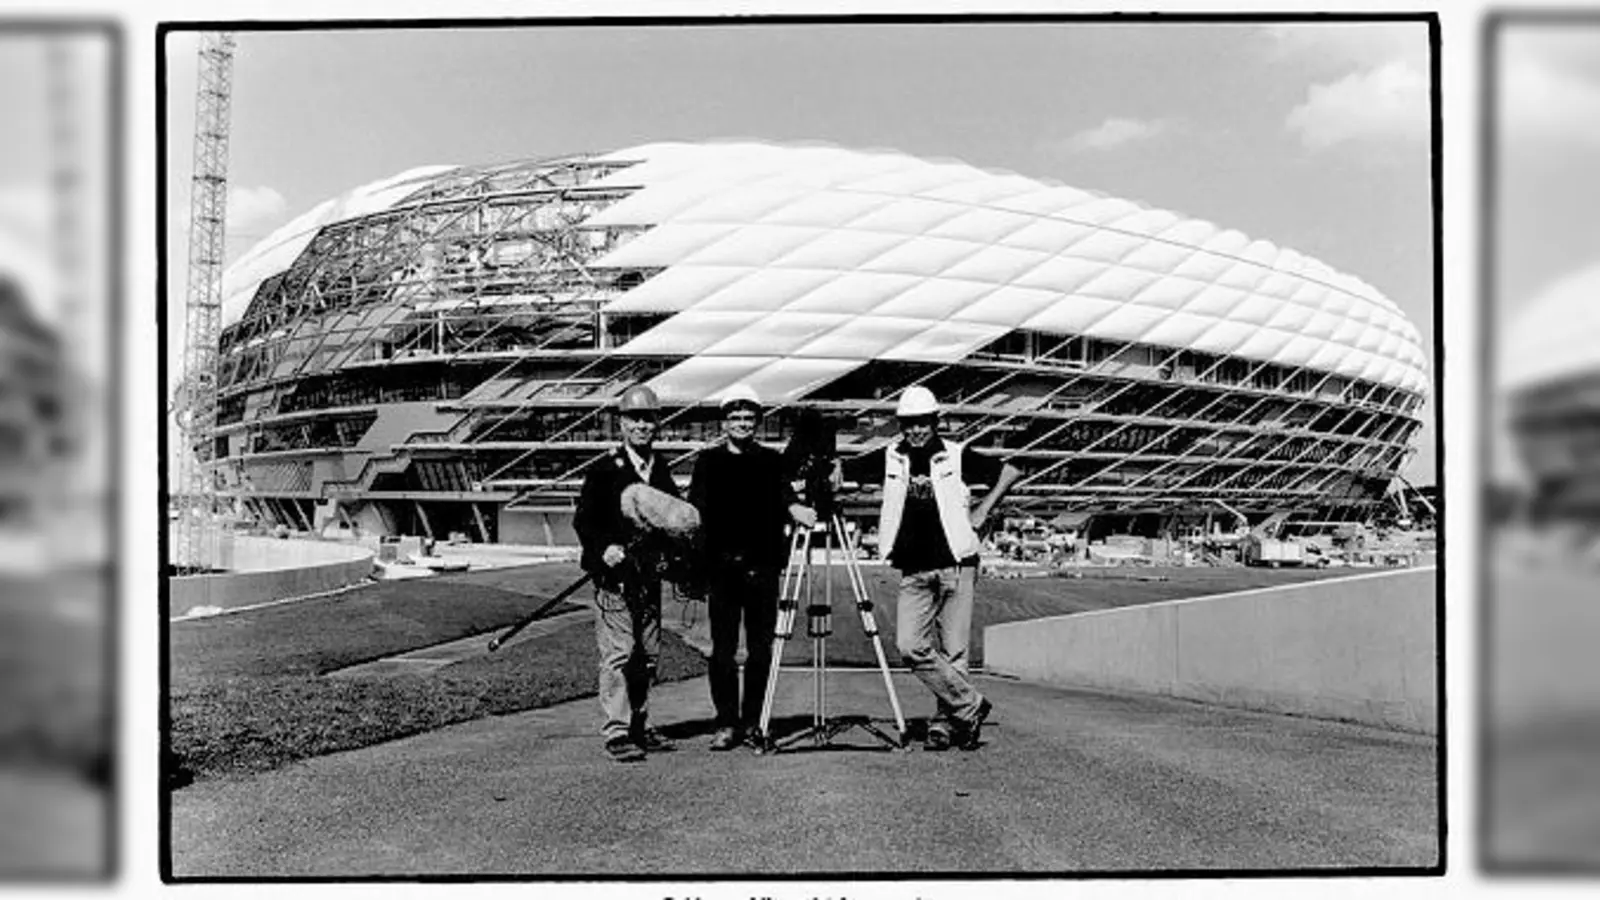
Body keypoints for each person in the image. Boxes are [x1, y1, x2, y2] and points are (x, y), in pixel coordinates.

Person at [840, 385, 1023, 751]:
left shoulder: (955, 455)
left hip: (957, 562)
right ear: (901, 425)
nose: (916, 431)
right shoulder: (890, 456)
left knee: (954, 653)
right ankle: (969, 705)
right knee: (910, 646)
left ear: (935, 422)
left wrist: (984, 509)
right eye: (909, 424)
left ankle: (947, 725)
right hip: (913, 569)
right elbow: (845, 470)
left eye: (923, 423)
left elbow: (1011, 470)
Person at [688, 384, 815, 751]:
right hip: (723, 570)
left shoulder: (772, 461)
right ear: (724, 423)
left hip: (762, 569)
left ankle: (756, 720)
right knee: (723, 650)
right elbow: (696, 513)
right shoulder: (708, 462)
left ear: (757, 422)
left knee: (761, 650)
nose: (742, 424)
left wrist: (798, 508)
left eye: (748, 418)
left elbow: (787, 498)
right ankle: (726, 721)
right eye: (735, 418)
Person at [574, 383, 683, 763]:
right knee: (619, 655)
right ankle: (617, 731)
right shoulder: (605, 470)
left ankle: (639, 723)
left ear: (657, 424)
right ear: (621, 424)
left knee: (648, 655)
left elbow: (670, 519)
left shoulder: (661, 468)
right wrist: (604, 547)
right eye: (634, 418)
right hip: (614, 580)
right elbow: (585, 520)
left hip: (646, 577)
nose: (642, 426)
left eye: (648, 419)